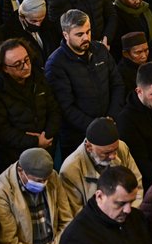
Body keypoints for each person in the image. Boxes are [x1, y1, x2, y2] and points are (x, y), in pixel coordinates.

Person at [45, 9, 125, 154]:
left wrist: (111, 116)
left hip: (110, 126)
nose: (86, 37)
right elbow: (65, 107)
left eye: (88, 32)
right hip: (78, 138)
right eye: (79, 34)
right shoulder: (56, 64)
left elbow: (117, 84)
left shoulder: (100, 50)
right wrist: (97, 126)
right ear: (66, 35)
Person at [0, 38, 61, 174]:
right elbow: (3, 131)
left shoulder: (39, 78)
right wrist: (35, 141)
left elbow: (54, 110)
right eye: (17, 65)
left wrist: (46, 136)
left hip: (47, 148)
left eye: (27, 60)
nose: (26, 67)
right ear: (5, 68)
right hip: (14, 160)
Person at [58, 117, 143, 219]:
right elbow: (78, 214)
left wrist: (130, 215)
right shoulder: (71, 169)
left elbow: (137, 186)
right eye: (106, 153)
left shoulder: (121, 147)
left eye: (115, 150)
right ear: (89, 147)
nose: (113, 156)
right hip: (94, 224)